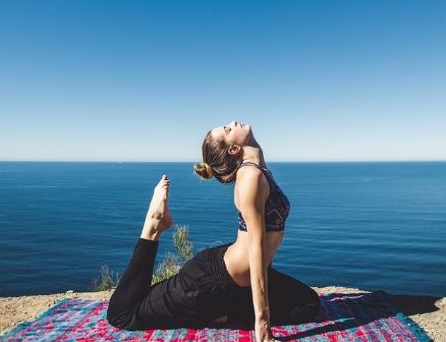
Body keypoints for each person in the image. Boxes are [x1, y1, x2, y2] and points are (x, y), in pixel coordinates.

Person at [107, 121, 320, 342]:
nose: (232, 123)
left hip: (236, 279)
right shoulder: (250, 178)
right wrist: (263, 326)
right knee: (124, 314)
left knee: (308, 304)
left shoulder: (259, 170)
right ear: (234, 149)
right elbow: (255, 253)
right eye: (227, 130)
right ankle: (153, 227)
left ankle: (219, 313)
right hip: (208, 282)